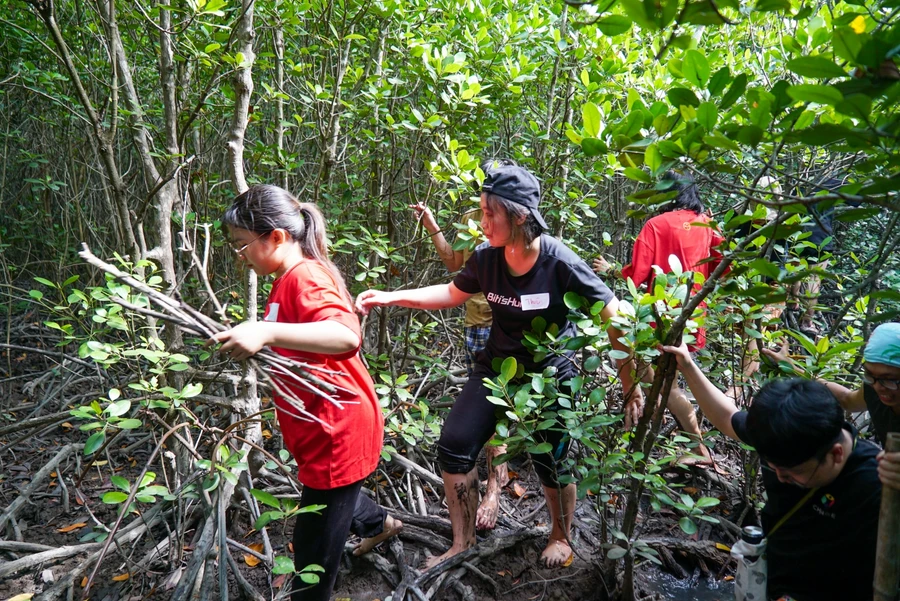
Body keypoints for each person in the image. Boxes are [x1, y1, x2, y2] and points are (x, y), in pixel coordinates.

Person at [357, 165, 641, 568]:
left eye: (490, 214)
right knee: (454, 444)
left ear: (520, 216)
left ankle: (561, 537)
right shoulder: (487, 259)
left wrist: (630, 385)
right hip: (497, 369)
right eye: (481, 212)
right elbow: (451, 293)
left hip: (549, 373)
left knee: (553, 460)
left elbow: (617, 317)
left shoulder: (559, 262)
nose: (482, 223)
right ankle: (463, 541)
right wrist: (390, 296)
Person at [209, 185, 401, 601]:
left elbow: (345, 335)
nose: (239, 256)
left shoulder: (306, 276)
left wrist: (266, 331)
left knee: (310, 563)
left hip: (338, 431)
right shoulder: (286, 279)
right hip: (319, 426)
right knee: (332, 495)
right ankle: (379, 524)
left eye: (242, 247)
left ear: (276, 237)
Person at [663, 342, 882, 601]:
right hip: (776, 581)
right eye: (773, 467)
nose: (779, 478)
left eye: (791, 473)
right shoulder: (779, 435)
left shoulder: (876, 480)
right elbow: (727, 417)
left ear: (836, 454)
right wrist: (688, 366)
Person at [409, 158, 516, 531]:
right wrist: (432, 224)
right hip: (476, 324)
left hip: (509, 323)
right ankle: (491, 478)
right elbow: (453, 262)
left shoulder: (518, 220)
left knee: (501, 403)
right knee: (488, 403)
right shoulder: (473, 218)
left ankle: (494, 486)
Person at [594, 171, 725, 463]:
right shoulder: (707, 224)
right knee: (664, 379)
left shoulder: (657, 224)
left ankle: (697, 448)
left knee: (661, 381)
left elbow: (638, 274)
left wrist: (611, 270)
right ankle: (650, 431)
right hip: (692, 315)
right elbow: (723, 266)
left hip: (661, 317)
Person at [764, 322, 900, 490]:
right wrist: (793, 368)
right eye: (870, 375)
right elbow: (846, 399)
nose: (879, 386)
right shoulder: (874, 388)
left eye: (889, 379)